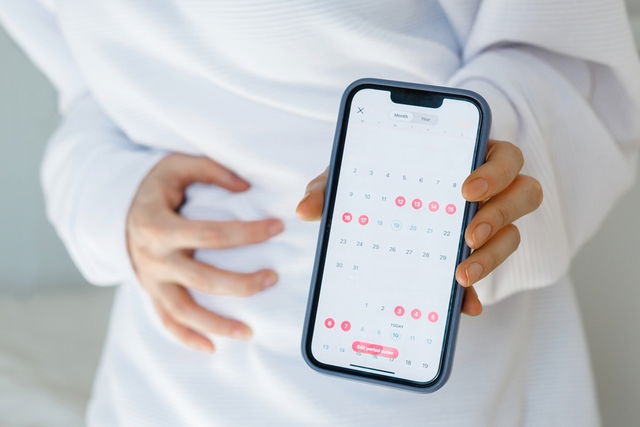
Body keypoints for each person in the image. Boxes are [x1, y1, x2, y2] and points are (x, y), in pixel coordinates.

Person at [1, 1, 638, 425]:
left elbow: (563, 50)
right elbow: (89, 94)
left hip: (438, 367)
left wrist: (492, 154)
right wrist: (113, 200)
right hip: (175, 378)